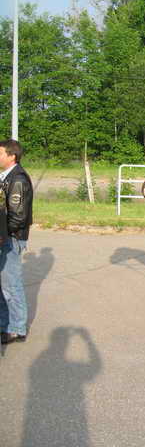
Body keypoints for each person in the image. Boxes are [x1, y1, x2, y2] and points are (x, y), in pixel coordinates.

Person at [0, 139, 33, 344]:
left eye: (0, 153)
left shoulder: (18, 179)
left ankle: (16, 328)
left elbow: (17, 217)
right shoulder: (6, 176)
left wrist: (3, 235)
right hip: (5, 236)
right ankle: (6, 324)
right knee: (4, 284)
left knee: (10, 285)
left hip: (11, 238)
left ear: (12, 156)